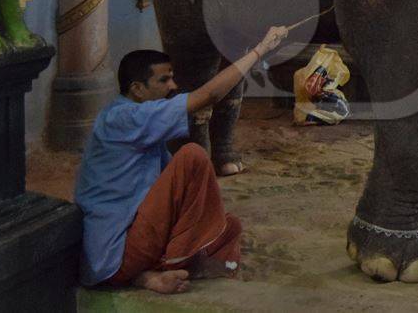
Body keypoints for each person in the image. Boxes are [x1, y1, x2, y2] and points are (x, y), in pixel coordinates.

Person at [75, 26, 288, 293]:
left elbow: (177, 192)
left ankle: (145, 276)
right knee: (193, 155)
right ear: (137, 89)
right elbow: (209, 95)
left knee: (229, 225)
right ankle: (170, 261)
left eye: (172, 78)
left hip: (119, 255)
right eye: (164, 80)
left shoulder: (130, 118)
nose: (173, 86)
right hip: (114, 253)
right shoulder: (127, 118)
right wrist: (261, 49)